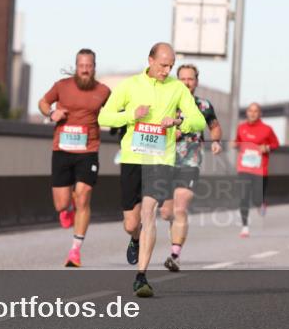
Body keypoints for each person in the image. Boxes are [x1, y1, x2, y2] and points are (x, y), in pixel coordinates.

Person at [98, 43, 205, 297]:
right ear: (150, 60)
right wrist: (131, 115)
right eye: (163, 65)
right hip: (133, 158)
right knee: (131, 223)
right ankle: (134, 238)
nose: (167, 70)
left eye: (171, 66)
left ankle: (141, 276)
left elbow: (199, 120)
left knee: (149, 213)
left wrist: (179, 121)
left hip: (160, 160)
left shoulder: (177, 88)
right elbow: (104, 117)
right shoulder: (130, 85)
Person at [38, 49, 111, 268]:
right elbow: (43, 103)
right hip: (62, 149)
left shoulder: (103, 91)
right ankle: (67, 209)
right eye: (82, 66)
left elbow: (116, 112)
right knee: (61, 204)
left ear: (94, 67)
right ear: (76, 67)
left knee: (83, 196)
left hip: (88, 150)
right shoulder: (62, 86)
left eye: (89, 66)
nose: (85, 70)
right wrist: (51, 113)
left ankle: (75, 251)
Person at [160, 64, 222, 271]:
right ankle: (175, 234)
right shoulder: (166, 102)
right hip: (166, 161)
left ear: (196, 81)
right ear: (176, 80)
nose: (187, 83)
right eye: (183, 79)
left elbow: (214, 126)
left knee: (180, 207)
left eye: (190, 79)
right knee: (166, 213)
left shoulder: (203, 105)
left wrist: (216, 141)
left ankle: (175, 255)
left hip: (190, 162)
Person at [234, 102, 279, 237]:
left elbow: (276, 144)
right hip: (244, 168)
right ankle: (245, 227)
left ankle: (261, 204)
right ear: (247, 113)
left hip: (260, 169)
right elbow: (238, 141)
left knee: (257, 199)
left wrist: (267, 147)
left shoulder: (267, 129)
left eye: (255, 111)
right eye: (250, 111)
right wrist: (235, 144)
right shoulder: (241, 128)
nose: (252, 113)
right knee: (243, 197)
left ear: (260, 114)